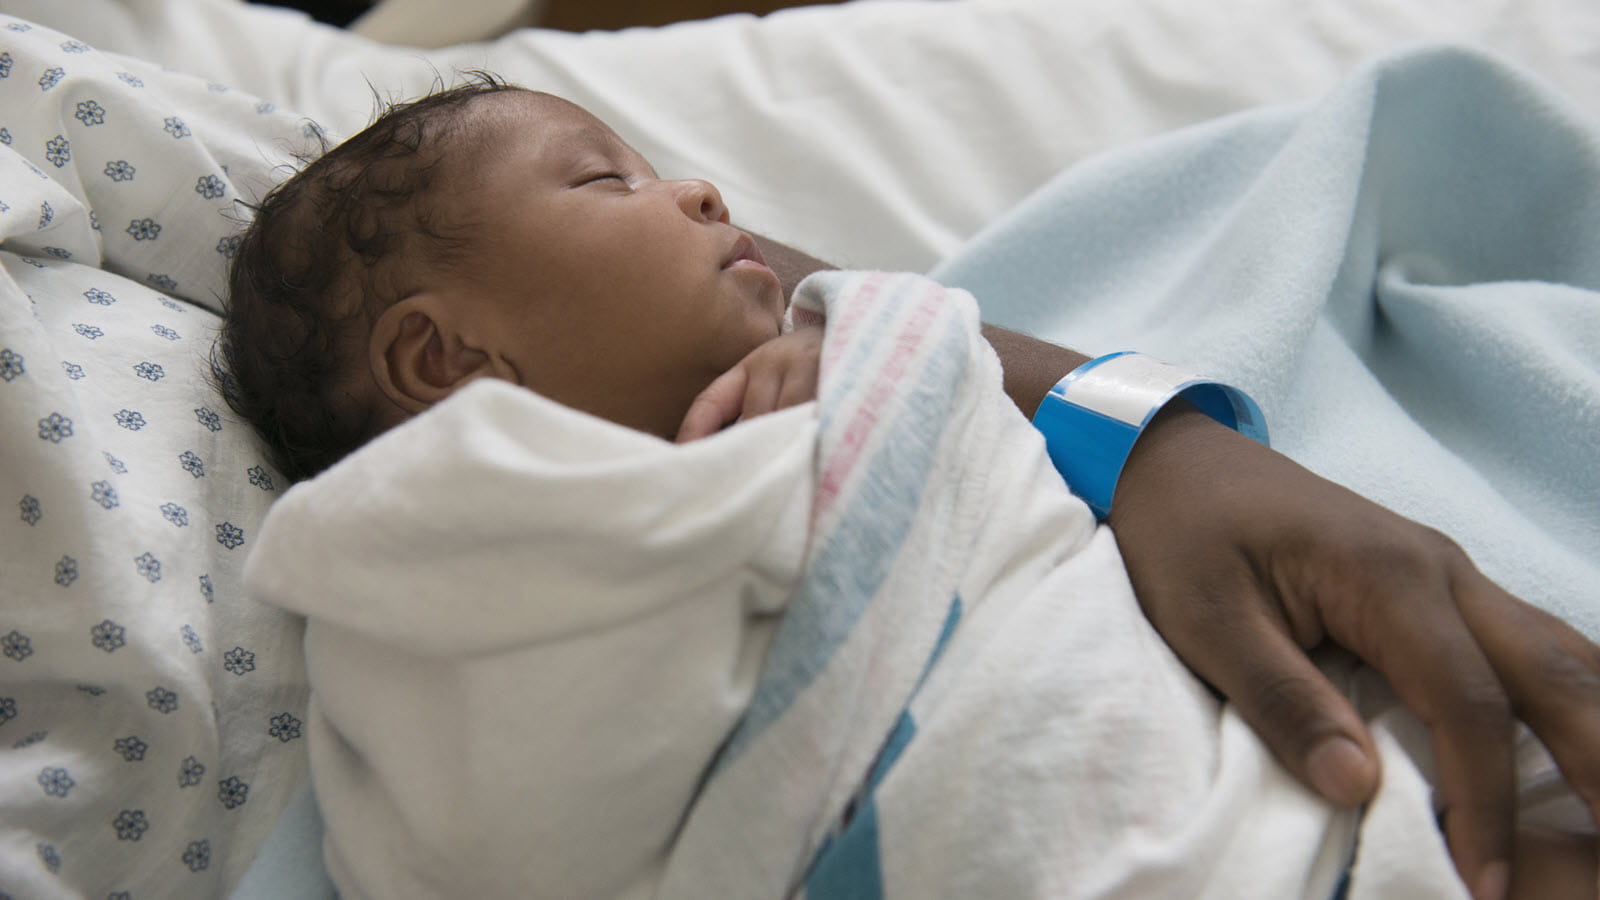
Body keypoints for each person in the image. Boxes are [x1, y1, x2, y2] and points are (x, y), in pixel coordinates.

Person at [217, 77, 1600, 898]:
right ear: (442, 360)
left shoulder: (837, 376)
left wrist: (863, 366)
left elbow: (936, 383)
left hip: (1232, 796)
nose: (702, 194)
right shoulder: (429, 575)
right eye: (606, 181)